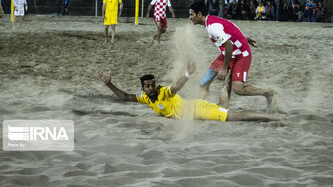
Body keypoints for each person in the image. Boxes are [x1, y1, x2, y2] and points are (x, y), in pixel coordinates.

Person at [97, 63, 287, 122]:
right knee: (222, 107)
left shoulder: (162, 92)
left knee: (234, 116)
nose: (149, 88)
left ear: (155, 85)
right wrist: (109, 84)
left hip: (197, 111)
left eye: (151, 85)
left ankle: (275, 118)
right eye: (146, 86)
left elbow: (176, 87)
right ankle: (227, 82)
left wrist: (187, 73)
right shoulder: (145, 98)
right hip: (196, 112)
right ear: (143, 88)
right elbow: (125, 97)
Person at [189, 1, 277, 113]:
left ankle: (268, 93)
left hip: (241, 53)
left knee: (238, 88)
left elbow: (229, 45)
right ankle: (198, 107)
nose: (189, 17)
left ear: (199, 14)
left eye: (191, 14)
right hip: (229, 52)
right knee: (205, 80)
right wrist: (242, 38)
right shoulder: (211, 21)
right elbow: (229, 29)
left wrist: (224, 68)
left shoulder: (212, 27)